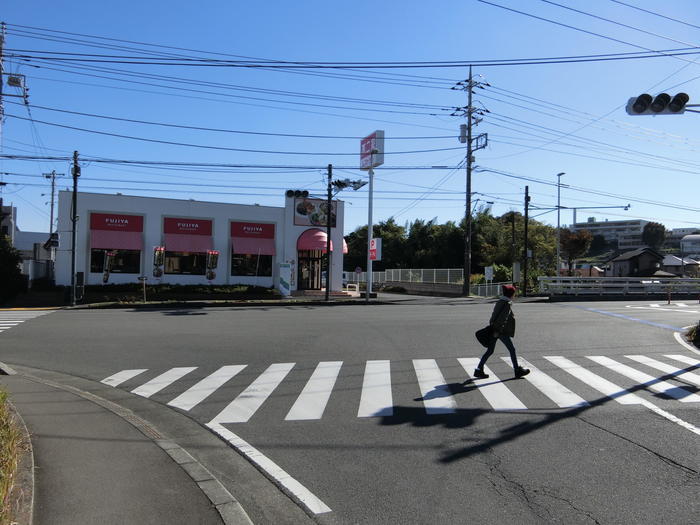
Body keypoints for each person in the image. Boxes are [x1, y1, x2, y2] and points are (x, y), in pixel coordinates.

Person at [473, 284, 530, 379]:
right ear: (511, 294)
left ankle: (479, 369)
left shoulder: (500, 301)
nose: (515, 295)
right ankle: (517, 370)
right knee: (512, 350)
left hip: (495, 329)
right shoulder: (507, 304)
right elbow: (502, 319)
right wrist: (497, 331)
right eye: (514, 293)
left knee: (490, 350)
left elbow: (494, 316)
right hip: (500, 331)